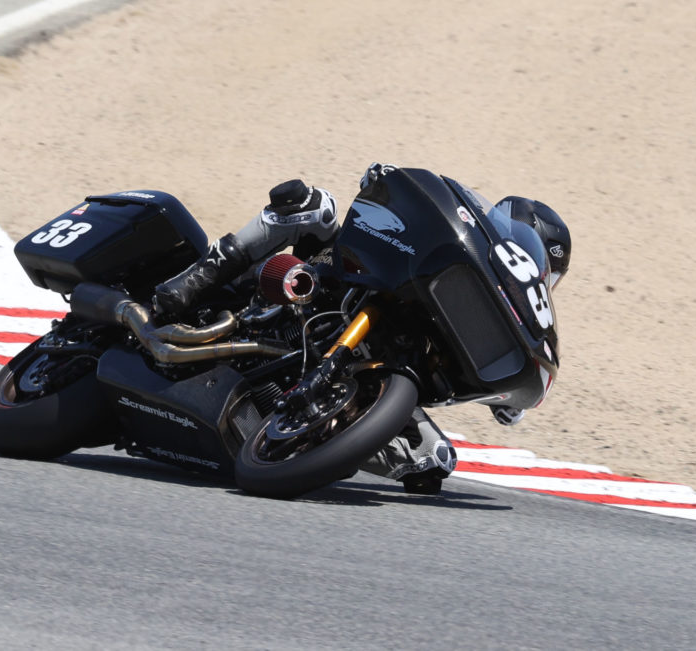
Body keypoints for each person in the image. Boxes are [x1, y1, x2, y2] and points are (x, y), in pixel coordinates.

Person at [153, 163, 570, 494]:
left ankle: (298, 432)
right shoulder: (468, 235)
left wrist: (507, 396)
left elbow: (506, 408)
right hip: (333, 282)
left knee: (434, 459)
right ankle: (194, 280)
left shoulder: (504, 314)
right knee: (315, 206)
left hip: (380, 363)